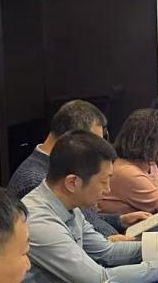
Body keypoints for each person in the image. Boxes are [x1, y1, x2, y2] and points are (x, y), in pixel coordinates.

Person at [22, 132, 158, 283]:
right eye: (104, 182)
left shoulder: (69, 205)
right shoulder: (40, 221)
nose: (107, 190)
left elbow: (106, 251)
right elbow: (99, 279)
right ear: (73, 182)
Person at [7, 99, 132, 236]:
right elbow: (65, 234)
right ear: (73, 140)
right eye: (94, 142)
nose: (99, 150)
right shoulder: (35, 180)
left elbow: (83, 218)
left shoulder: (64, 167)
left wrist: (119, 221)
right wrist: (110, 239)